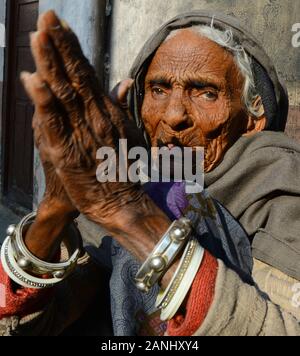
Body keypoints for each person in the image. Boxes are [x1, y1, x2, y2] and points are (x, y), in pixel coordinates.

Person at [0, 10, 299, 336]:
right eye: (158, 90)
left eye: (206, 92)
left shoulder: (279, 186)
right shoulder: (127, 177)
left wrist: (136, 219)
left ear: (253, 119)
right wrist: (55, 209)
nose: (173, 116)